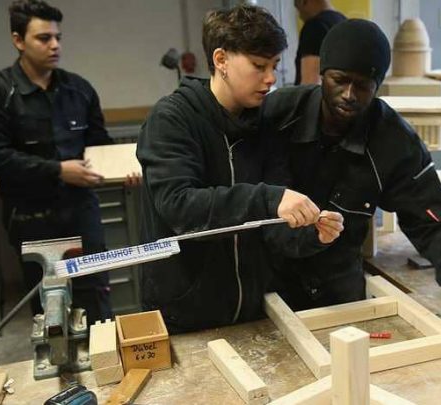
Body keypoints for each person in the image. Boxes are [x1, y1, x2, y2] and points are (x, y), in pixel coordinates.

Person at [263, 19, 441, 323]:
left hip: (338, 289)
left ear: (377, 87)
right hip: (268, 283)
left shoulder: (393, 141)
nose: (349, 94)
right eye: (340, 80)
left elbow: (433, 220)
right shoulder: (277, 114)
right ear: (323, 74)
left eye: (363, 86)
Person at [137, 5, 344, 333]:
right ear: (221, 60)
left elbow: (274, 228)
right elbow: (179, 207)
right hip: (186, 315)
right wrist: (269, 198)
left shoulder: (265, 125)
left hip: (252, 311)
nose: (271, 78)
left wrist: (312, 234)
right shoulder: (172, 120)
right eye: (259, 66)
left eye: (274, 65)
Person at [0, 0, 134, 322]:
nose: (55, 45)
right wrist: (57, 171)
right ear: (18, 40)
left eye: (57, 37)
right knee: (50, 310)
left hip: (81, 214)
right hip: (31, 219)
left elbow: (99, 146)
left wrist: (122, 170)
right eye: (44, 38)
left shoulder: (79, 90)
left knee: (96, 301)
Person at [293, 0, 345, 85]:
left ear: (303, 2)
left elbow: (311, 83)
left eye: (298, 9)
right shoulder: (344, 22)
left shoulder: (315, 27)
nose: (300, 16)